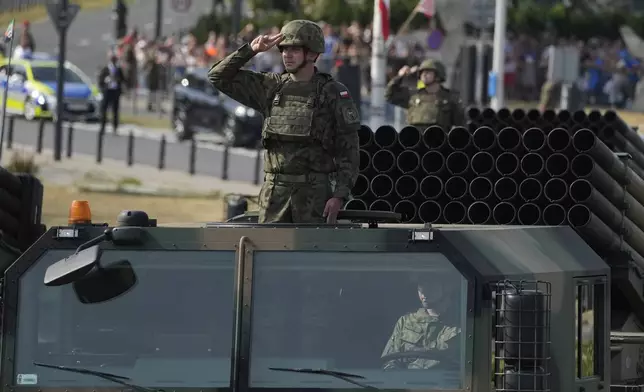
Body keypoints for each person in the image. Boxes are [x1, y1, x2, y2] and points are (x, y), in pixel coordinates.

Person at [208, 20, 360, 224]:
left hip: (314, 195)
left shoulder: (332, 92)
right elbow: (217, 76)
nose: (287, 54)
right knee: (269, 252)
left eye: (295, 49)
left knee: (311, 251)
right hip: (275, 195)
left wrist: (339, 195)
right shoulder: (271, 86)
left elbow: (348, 148)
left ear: (313, 54)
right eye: (284, 49)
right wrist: (252, 50)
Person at [381, 276, 461, 370]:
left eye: (431, 286)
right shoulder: (406, 322)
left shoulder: (461, 324)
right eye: (421, 286)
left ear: (446, 288)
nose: (424, 292)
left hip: (446, 383)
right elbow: (390, 360)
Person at [385, 59, 465, 132]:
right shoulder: (413, 95)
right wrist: (400, 76)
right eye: (422, 72)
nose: (424, 75)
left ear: (438, 75)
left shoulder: (449, 97)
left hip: (438, 142)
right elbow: (389, 95)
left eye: (428, 72)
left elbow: (461, 124)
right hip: (415, 141)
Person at [97, 51, 126, 134]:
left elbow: (123, 79)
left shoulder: (118, 69)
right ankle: (102, 127)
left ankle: (115, 127)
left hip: (115, 91)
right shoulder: (106, 69)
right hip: (107, 91)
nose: (113, 60)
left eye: (114, 59)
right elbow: (100, 80)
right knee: (104, 109)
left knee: (115, 110)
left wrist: (118, 82)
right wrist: (105, 83)